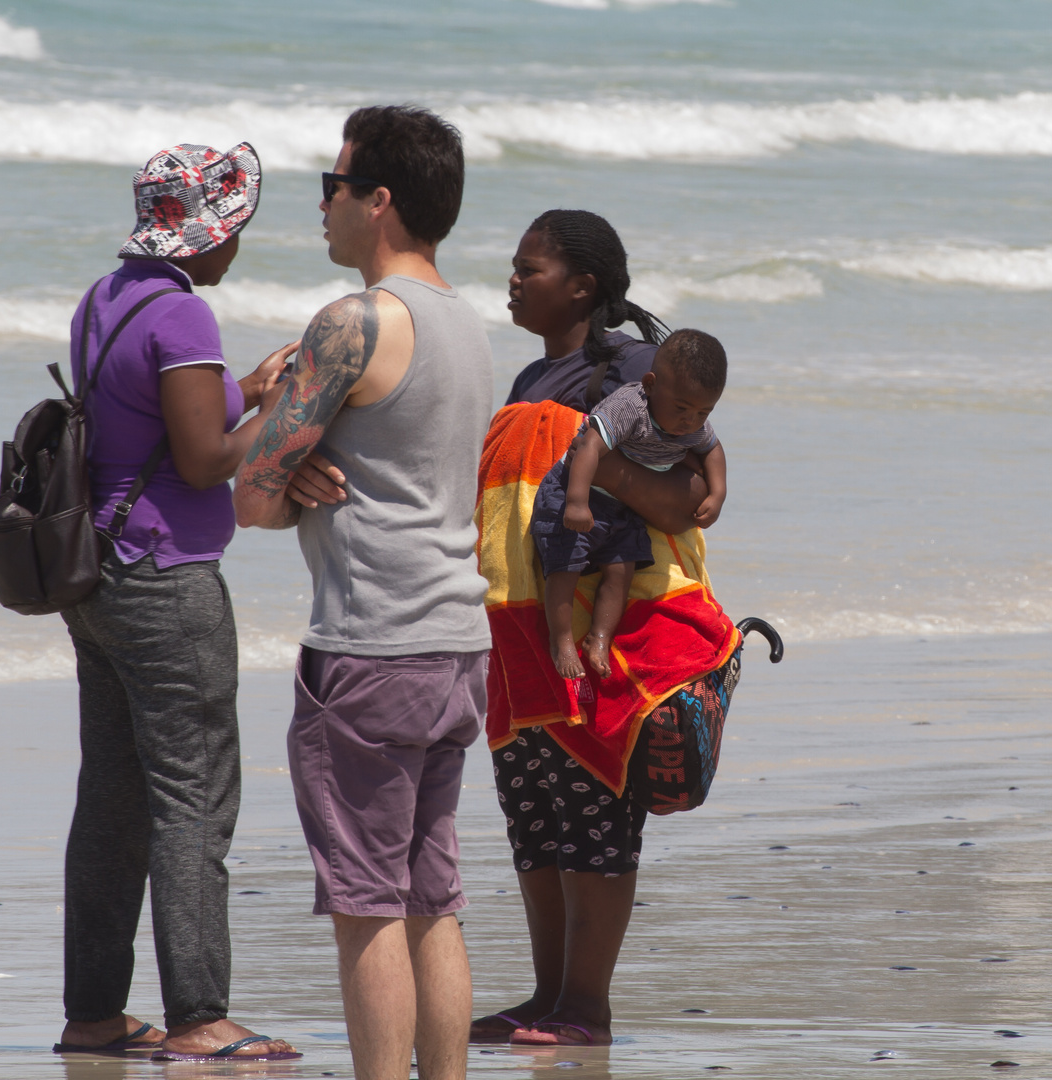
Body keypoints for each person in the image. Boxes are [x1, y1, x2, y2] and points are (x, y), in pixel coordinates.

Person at [233, 105, 492, 1080]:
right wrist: (304, 472)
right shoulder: (467, 326)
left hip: (372, 646)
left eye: (333, 187)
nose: (322, 205)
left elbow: (250, 501)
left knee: (368, 903)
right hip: (455, 643)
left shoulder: (354, 324)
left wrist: (277, 455)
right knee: (433, 899)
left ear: (379, 200)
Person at [51, 141, 300, 1063]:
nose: (235, 248)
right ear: (205, 234)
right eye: (233, 230)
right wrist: (282, 409)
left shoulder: (105, 299)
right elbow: (203, 459)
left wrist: (244, 391)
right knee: (194, 795)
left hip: (97, 575)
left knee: (111, 797)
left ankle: (94, 1015)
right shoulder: (185, 316)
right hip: (168, 578)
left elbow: (136, 419)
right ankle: (201, 1015)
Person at [470, 209, 725, 1048]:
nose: (513, 280)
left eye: (528, 268)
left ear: (582, 284)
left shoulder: (639, 372)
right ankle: (548, 998)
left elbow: (688, 503)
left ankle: (586, 1006)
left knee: (593, 816)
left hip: (607, 639)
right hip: (524, 638)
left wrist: (591, 461)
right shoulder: (526, 383)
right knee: (537, 819)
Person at [532, 330, 728, 679]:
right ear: (651, 384)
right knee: (566, 567)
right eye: (682, 409)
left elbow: (712, 448)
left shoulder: (691, 424)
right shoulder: (629, 407)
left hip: (622, 506)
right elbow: (589, 447)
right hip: (576, 489)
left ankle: (599, 638)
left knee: (621, 570)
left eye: (703, 412)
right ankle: (561, 641)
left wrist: (718, 493)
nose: (690, 421)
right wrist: (576, 503)